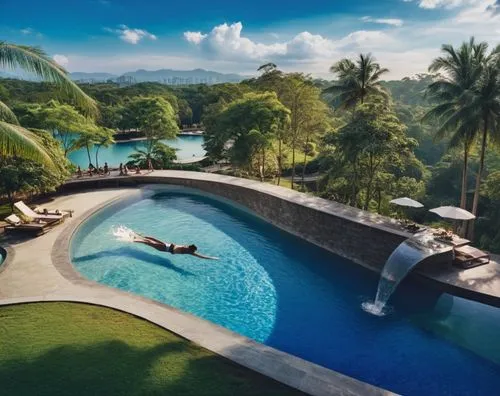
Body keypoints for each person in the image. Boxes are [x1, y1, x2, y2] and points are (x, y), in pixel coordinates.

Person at [132, 234, 218, 260]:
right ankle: (138, 238)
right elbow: (201, 256)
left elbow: (201, 256)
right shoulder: (188, 249)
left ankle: (138, 238)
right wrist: (212, 258)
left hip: (167, 247)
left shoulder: (188, 249)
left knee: (151, 242)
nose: (188, 247)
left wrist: (211, 257)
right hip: (166, 246)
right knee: (152, 241)